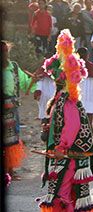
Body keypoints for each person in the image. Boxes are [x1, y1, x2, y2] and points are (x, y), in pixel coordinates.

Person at [37, 30, 93, 211]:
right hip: (69, 155)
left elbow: (72, 126)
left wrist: (62, 147)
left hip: (69, 155)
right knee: (67, 194)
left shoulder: (66, 100)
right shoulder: (64, 97)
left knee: (63, 195)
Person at [3, 41, 39, 180]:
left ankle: (10, 171)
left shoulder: (14, 67)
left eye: (6, 51)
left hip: (11, 109)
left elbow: (25, 84)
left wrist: (35, 86)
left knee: (11, 140)